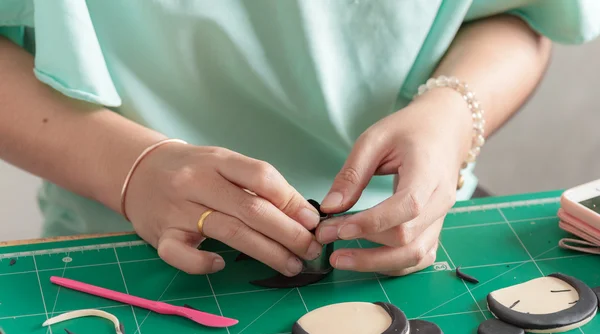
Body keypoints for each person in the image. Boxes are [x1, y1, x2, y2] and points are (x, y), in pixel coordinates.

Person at [0, 1, 598, 278]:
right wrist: (131, 167)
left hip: (421, 233)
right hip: (118, 250)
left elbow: (516, 14)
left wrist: (451, 113)